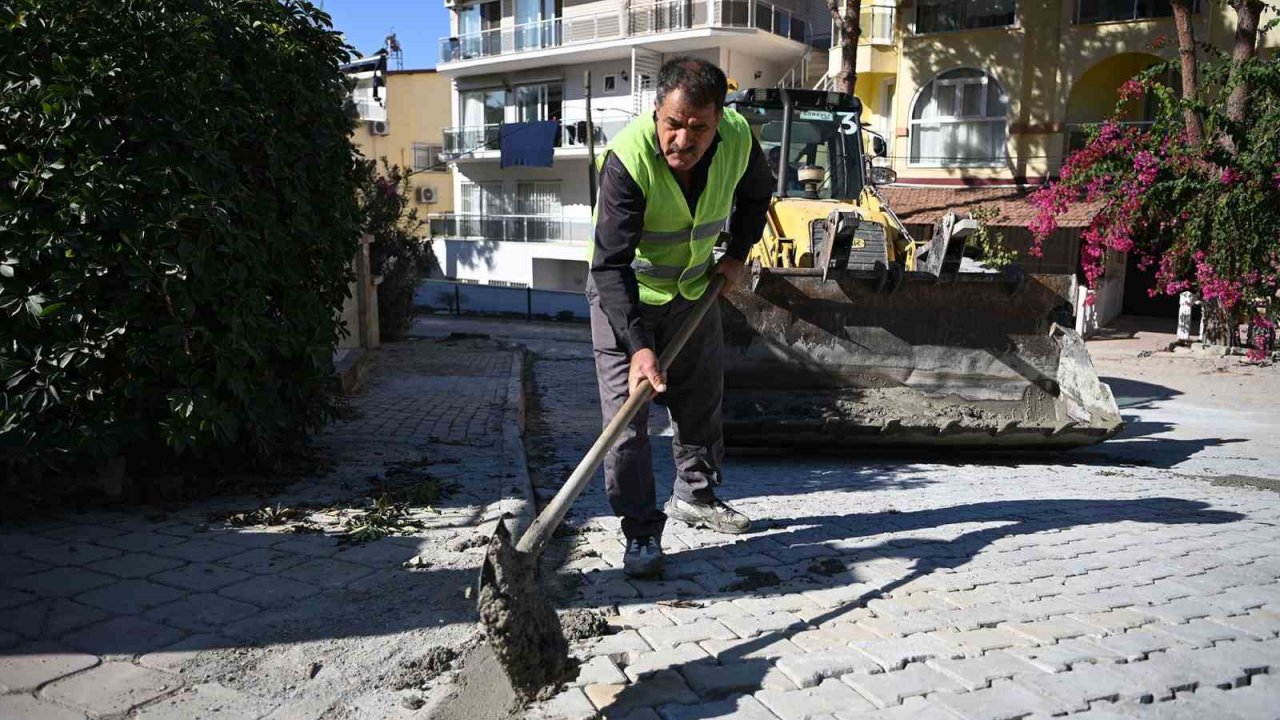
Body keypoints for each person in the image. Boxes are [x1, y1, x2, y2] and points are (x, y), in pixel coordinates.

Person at [588, 57, 776, 578]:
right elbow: (611, 264)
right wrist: (638, 346)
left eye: (697, 127)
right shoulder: (627, 160)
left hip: (692, 291)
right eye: (672, 124)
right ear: (656, 113)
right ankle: (642, 533)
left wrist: (738, 252)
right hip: (623, 298)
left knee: (699, 401)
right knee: (628, 421)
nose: (682, 139)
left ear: (718, 120)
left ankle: (695, 496)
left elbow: (757, 193)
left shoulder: (738, 138)